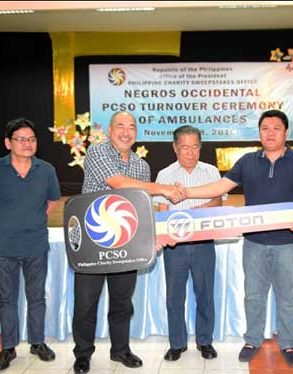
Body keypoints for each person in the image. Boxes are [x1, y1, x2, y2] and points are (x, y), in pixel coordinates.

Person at [183, 109, 293, 368]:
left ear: (286, 132)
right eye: (265, 128)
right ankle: (252, 340)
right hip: (254, 243)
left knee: (286, 297)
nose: (270, 132)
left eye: (276, 128)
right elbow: (219, 187)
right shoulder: (247, 161)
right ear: (259, 132)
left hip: (289, 243)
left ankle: (287, 343)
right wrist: (186, 193)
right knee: (253, 295)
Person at [72, 111, 182, 374]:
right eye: (120, 126)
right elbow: (119, 184)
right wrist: (164, 188)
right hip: (92, 242)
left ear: (136, 133)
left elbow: (141, 208)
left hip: (126, 243)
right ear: (110, 131)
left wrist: (150, 239)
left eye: (131, 127)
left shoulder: (141, 166)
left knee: (122, 302)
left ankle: (120, 350)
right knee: (86, 303)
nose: (126, 131)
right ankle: (83, 354)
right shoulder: (97, 153)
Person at [0, 118, 60, 371]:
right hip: (4, 246)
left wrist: (31, 220)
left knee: (36, 297)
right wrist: (4, 223)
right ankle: (8, 348)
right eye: (21, 139)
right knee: (7, 299)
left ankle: (37, 342)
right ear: (7, 143)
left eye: (32, 139)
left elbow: (52, 201)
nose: (27, 143)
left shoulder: (46, 170)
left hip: (36, 243)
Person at [153, 125, 223, 361]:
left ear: (200, 147)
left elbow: (218, 202)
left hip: (204, 242)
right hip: (175, 246)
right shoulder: (164, 175)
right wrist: (164, 234)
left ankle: (205, 341)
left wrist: (193, 213)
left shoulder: (211, 172)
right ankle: (177, 344)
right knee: (174, 297)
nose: (191, 152)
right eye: (185, 147)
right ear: (175, 148)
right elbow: (162, 211)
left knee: (205, 294)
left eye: (195, 147)